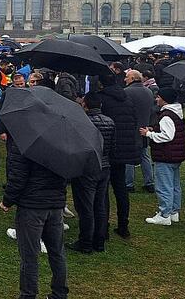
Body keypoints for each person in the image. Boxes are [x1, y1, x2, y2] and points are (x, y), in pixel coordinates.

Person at [0, 134, 69, 299]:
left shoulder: (23, 140)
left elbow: (17, 176)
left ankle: (28, 294)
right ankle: (59, 293)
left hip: (32, 206)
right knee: (57, 252)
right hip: (54, 202)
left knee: (29, 255)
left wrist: (7, 200)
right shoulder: (61, 140)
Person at [67, 93, 114, 254]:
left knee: (85, 206)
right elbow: (112, 145)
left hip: (87, 168)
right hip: (105, 166)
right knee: (100, 205)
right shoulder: (109, 121)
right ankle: (99, 241)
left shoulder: (83, 122)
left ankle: (86, 242)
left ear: (85, 105)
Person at [96, 73, 141, 239]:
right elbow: (133, 121)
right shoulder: (127, 99)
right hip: (124, 148)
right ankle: (123, 225)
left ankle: (103, 226)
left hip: (107, 148)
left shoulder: (102, 100)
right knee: (120, 188)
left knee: (103, 190)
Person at [140, 88, 185, 226]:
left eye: (158, 97)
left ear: (164, 99)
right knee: (174, 185)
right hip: (176, 155)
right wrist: (154, 129)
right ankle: (173, 212)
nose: (156, 99)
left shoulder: (166, 115)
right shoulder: (176, 112)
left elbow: (167, 136)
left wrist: (149, 135)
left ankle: (164, 214)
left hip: (166, 155)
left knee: (164, 185)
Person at [124, 69, 156, 193]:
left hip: (130, 128)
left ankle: (129, 184)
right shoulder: (148, 91)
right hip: (145, 127)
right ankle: (149, 182)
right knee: (144, 156)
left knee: (129, 157)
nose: (124, 79)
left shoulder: (126, 92)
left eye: (127, 77)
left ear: (132, 79)